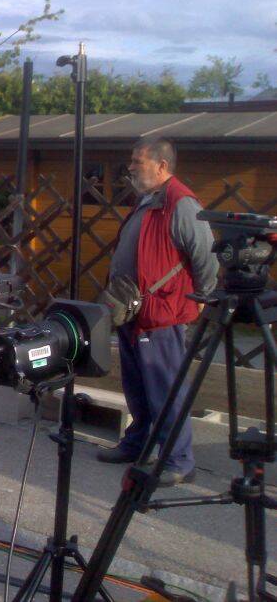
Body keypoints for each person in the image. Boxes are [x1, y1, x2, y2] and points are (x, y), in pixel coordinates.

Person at [97, 137, 218, 487]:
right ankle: (138, 444)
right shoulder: (151, 200)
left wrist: (202, 296)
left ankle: (178, 460)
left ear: (161, 165)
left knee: (165, 389)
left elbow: (206, 254)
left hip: (161, 313)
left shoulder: (181, 203)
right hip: (134, 310)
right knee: (137, 386)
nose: (131, 167)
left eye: (138, 161)